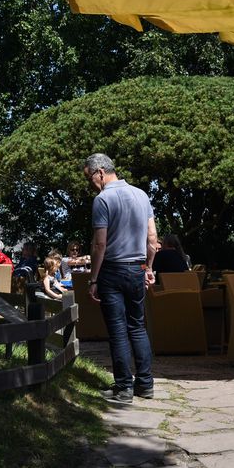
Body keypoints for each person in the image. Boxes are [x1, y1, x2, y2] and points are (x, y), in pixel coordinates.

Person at [84, 153, 157, 404]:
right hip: (137, 269)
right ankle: (145, 385)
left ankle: (124, 388)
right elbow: (152, 239)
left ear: (101, 172)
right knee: (137, 327)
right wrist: (148, 268)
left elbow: (100, 244)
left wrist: (93, 279)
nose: (90, 184)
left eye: (90, 178)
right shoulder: (142, 195)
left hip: (112, 270)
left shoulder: (102, 199)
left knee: (117, 331)